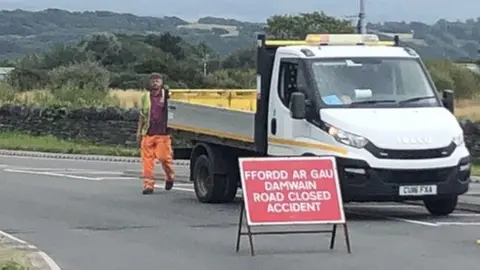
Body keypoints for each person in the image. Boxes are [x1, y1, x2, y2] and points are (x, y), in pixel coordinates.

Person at [137, 73, 175, 194]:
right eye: (153, 81)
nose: (155, 83)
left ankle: (170, 177)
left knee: (164, 158)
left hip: (163, 134)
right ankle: (148, 185)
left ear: (161, 83)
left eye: (157, 81)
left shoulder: (167, 95)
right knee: (147, 161)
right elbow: (142, 115)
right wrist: (139, 131)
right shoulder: (145, 97)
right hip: (148, 133)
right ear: (149, 83)